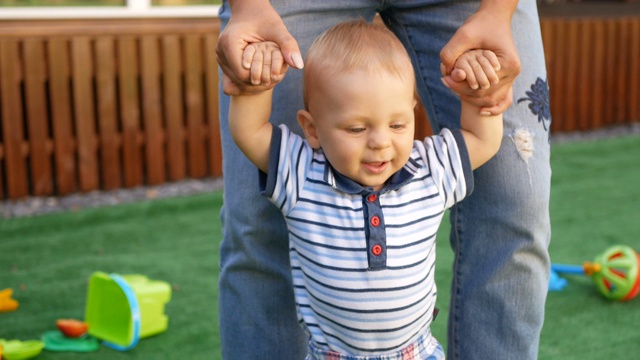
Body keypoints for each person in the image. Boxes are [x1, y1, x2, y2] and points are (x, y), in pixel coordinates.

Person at [216, 1, 552, 359]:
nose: (379, 142)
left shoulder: (429, 169)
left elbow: (482, 140)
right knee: (254, 222)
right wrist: (255, 81)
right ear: (311, 129)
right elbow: (250, 132)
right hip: (333, 354)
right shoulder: (300, 173)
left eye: (397, 125)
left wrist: (476, 94)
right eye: (357, 128)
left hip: (417, 354)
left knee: (516, 203)